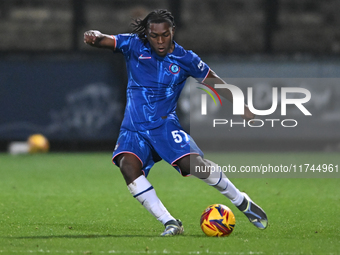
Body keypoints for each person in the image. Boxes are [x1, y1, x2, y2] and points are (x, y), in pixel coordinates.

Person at [84, 9, 268, 236]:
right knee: (128, 167)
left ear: (173, 31)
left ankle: (240, 200)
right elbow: (104, 39)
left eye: (165, 35)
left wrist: (240, 105)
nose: (160, 41)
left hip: (164, 126)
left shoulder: (186, 58)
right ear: (147, 34)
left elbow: (214, 81)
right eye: (154, 36)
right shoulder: (133, 45)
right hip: (134, 128)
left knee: (193, 166)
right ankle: (170, 222)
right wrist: (93, 35)